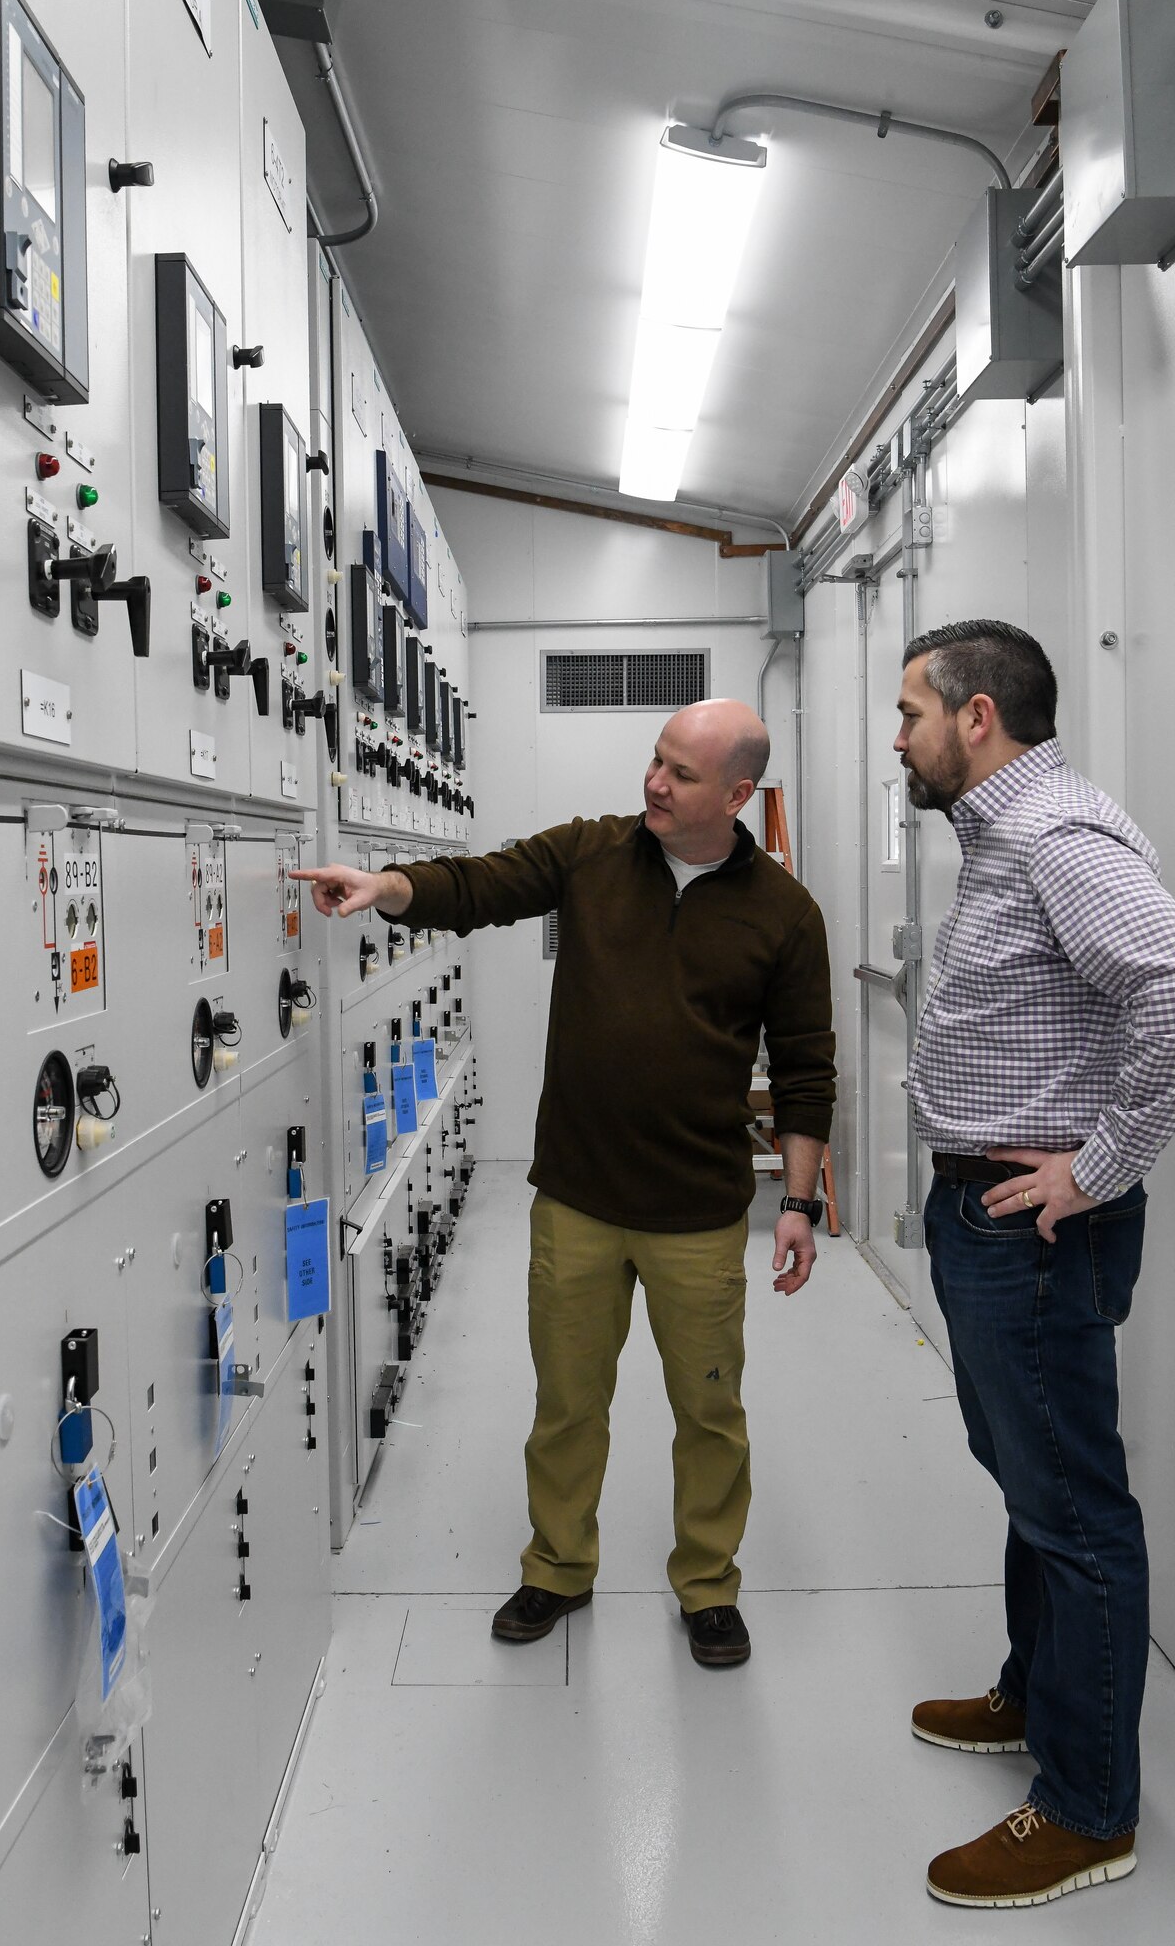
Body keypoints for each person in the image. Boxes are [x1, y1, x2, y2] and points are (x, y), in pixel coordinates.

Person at [294, 698, 835, 1668]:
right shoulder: (590, 853)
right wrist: (384, 883)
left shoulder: (784, 914)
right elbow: (481, 882)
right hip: (577, 1197)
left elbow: (805, 1068)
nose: (653, 783)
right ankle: (557, 1564)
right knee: (566, 1400)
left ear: (737, 793)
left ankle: (707, 1583)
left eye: (678, 771)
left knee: (709, 1409)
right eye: (654, 760)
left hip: (698, 1211)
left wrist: (795, 1201)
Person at [894, 621, 1175, 1908]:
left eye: (911, 710)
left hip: (1033, 1232)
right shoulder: (1001, 838)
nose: (898, 734)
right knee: (1031, 1478)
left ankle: (1090, 1808)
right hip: (984, 1216)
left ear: (977, 717)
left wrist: (1095, 1164)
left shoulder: (1053, 836)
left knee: (1077, 1509)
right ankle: (1033, 1694)